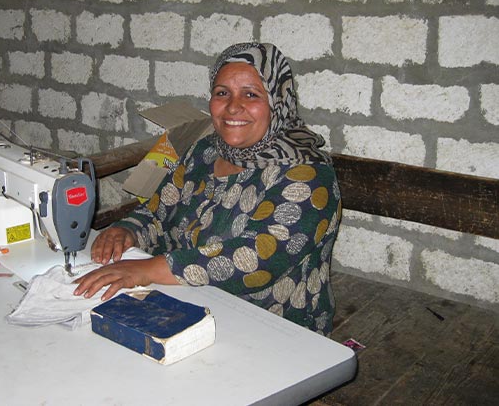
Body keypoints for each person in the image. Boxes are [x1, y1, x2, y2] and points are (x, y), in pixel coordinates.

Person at [74, 42, 341, 335]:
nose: (232, 106)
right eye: (222, 93)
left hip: (273, 329)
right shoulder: (205, 152)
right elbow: (157, 212)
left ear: (278, 102)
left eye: (251, 94)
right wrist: (126, 230)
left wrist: (147, 270)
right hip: (189, 303)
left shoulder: (308, 175)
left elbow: (255, 258)